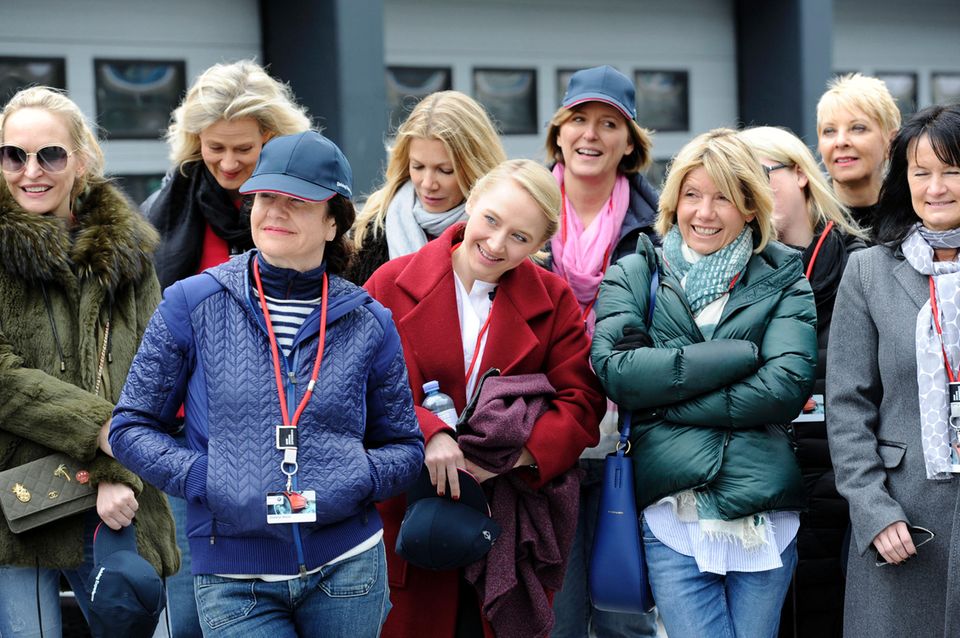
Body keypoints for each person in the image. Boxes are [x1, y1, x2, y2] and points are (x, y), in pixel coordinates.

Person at [109, 130, 425, 637]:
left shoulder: (371, 321)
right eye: (265, 198)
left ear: (331, 222)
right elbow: (131, 426)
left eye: (296, 202)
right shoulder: (192, 304)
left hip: (348, 565)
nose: (274, 211)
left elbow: (406, 446)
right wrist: (206, 478)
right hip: (235, 577)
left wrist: (356, 475)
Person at [365, 159, 606, 637]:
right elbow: (356, 388)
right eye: (492, 220)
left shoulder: (554, 301)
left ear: (538, 247)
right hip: (405, 515)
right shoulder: (390, 283)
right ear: (471, 205)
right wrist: (430, 432)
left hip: (504, 522)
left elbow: (581, 403)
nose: (496, 244)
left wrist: (513, 456)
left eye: (519, 237)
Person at [592, 129, 818, 638]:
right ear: (673, 201)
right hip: (673, 511)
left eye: (723, 197)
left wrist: (668, 404)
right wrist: (736, 357)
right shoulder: (636, 270)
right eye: (692, 195)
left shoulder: (784, 275)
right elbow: (617, 372)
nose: (705, 213)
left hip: (764, 512)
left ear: (750, 208)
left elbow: (783, 387)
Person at [139, 59, 312, 636]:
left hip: (287, 443)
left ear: (274, 138)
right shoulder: (166, 214)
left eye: (245, 149)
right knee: (186, 614)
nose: (229, 164)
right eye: (215, 148)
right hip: (191, 449)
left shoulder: (311, 207)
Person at [0, 86, 179, 636]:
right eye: (14, 155)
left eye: (49, 154)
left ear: (81, 160)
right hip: (19, 503)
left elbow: (158, 371)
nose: (31, 171)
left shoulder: (126, 253)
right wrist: (103, 434)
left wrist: (115, 467)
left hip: (126, 497)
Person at [826, 103, 960, 637]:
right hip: (906, 520)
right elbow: (847, 404)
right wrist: (873, 509)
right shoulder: (870, 270)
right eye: (920, 172)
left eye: (951, 170)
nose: (936, 188)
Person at [542, 64, 659, 638]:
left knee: (624, 612)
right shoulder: (524, 210)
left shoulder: (660, 225)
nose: (591, 135)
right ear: (558, 133)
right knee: (554, 615)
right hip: (546, 436)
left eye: (609, 124)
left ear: (630, 143)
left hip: (629, 440)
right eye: (578, 120)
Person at [739, 125, 866, 638]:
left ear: (801, 176)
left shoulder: (862, 260)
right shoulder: (733, 268)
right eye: (738, 182)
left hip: (842, 481)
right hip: (763, 483)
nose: (751, 191)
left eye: (762, 176)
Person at [345, 90, 506, 284]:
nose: (428, 184)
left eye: (445, 170)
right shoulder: (369, 229)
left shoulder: (507, 235)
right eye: (418, 167)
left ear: (476, 169)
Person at [816, 73, 901, 239]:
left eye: (858, 128)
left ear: (891, 141)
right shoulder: (804, 218)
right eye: (829, 131)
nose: (840, 142)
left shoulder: (916, 216)